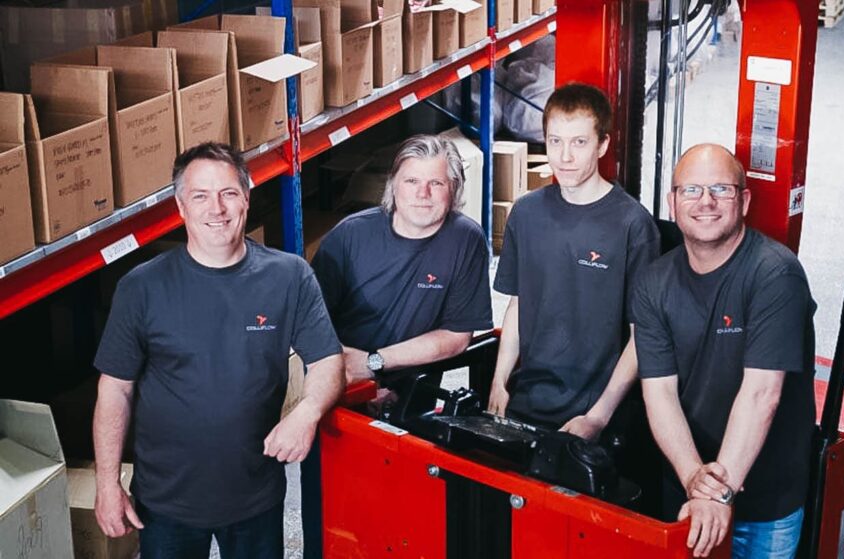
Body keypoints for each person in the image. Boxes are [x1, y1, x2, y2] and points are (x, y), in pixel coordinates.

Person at [92, 142, 344, 559]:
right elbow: (114, 389)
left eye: (228, 193)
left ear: (246, 198)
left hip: (256, 497)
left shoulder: (289, 276)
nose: (217, 209)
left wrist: (307, 411)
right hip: (166, 502)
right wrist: (106, 483)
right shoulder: (141, 287)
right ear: (181, 207)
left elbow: (327, 360)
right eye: (201, 196)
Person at [302, 134, 494, 558]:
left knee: (405, 522)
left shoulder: (466, 241)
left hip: (411, 398)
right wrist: (353, 382)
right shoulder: (349, 238)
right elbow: (310, 326)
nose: (422, 195)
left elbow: (457, 336)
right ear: (392, 186)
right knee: (332, 512)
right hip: (339, 390)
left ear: (455, 191)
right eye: (411, 182)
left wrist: (376, 367)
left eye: (436, 184)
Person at [633, 143, 817, 558]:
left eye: (721, 189)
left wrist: (718, 495)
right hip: (687, 490)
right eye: (691, 191)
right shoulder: (653, 283)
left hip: (763, 504)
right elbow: (658, 392)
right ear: (673, 202)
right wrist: (693, 478)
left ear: (745, 200)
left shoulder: (775, 275)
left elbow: (761, 394)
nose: (706, 202)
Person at [487, 83, 660, 441]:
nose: (564, 157)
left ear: (602, 145)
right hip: (528, 399)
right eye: (555, 141)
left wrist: (597, 417)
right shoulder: (526, 212)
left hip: (597, 412)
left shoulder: (633, 225)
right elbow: (518, 305)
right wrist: (499, 382)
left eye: (579, 143)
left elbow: (642, 336)